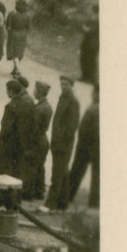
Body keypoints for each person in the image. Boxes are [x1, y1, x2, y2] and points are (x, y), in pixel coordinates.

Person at [48, 75, 82, 211]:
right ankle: (63, 202)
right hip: (58, 142)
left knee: (57, 174)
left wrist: (60, 142)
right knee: (63, 172)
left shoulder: (73, 101)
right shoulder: (63, 97)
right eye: (61, 84)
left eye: (66, 84)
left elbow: (72, 127)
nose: (63, 87)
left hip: (63, 144)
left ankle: (51, 204)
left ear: (71, 85)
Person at [66, 86, 100, 209]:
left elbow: (83, 129)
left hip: (86, 146)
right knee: (97, 175)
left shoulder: (92, 109)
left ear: (96, 93)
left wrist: (81, 143)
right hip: (99, 148)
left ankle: (68, 195)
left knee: (77, 171)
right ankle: (95, 201)